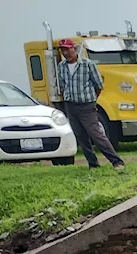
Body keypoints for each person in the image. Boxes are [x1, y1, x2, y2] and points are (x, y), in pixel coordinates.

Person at [55, 38, 124, 170]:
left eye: (67, 49)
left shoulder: (87, 64)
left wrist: (92, 100)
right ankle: (93, 163)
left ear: (73, 49)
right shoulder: (61, 67)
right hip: (71, 104)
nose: (65, 53)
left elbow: (98, 85)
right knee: (81, 136)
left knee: (96, 134)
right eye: (62, 50)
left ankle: (116, 161)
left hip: (87, 105)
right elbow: (63, 85)